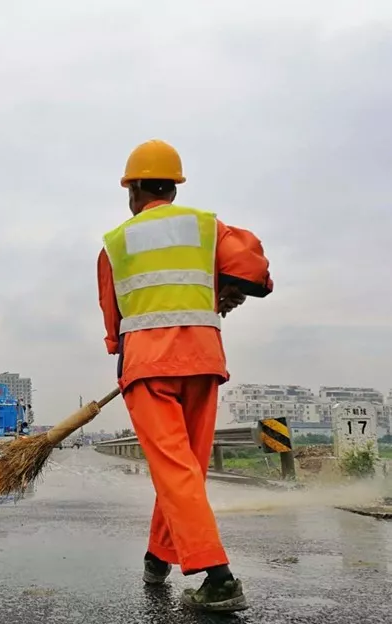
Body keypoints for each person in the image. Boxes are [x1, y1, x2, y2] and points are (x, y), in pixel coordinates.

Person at [97, 139, 273, 612]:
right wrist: (232, 290)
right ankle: (159, 556)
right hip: (203, 360)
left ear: (132, 190)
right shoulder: (209, 227)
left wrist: (121, 351)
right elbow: (255, 270)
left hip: (148, 368)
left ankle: (219, 578)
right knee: (185, 472)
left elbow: (112, 319)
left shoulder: (115, 243)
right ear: (174, 187)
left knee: (174, 471)